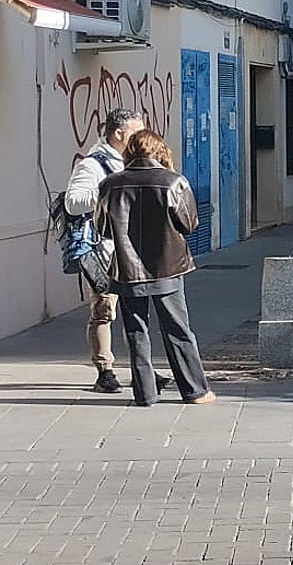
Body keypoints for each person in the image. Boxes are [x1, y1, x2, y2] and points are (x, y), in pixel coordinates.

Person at [98, 130, 215, 407]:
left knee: (136, 333)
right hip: (168, 268)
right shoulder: (173, 182)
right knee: (178, 330)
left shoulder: (110, 185)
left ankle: (145, 394)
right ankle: (195, 390)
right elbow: (189, 225)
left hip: (127, 270)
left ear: (129, 152)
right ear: (159, 150)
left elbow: (103, 229)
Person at [64, 108, 148, 394]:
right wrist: (109, 189)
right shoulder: (93, 165)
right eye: (136, 132)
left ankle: (142, 371)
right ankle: (105, 371)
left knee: (136, 310)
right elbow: (73, 203)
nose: (141, 137)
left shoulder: (134, 161)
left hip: (132, 248)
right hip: (104, 251)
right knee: (104, 310)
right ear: (119, 133)